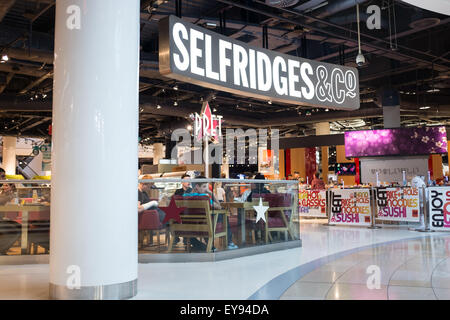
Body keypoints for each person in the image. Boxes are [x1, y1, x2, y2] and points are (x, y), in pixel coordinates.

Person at [183, 176, 238, 251]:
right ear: (197, 186)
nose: (206, 189)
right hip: (205, 226)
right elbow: (219, 206)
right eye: (204, 186)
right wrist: (210, 193)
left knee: (206, 218)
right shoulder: (204, 197)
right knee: (223, 213)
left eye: (207, 187)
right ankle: (229, 242)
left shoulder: (184, 196)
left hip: (189, 226)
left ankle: (208, 247)